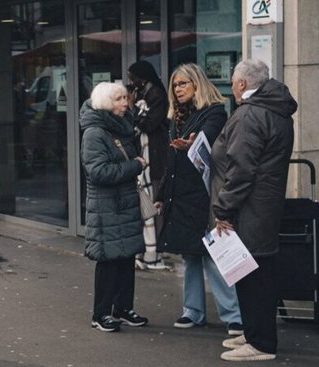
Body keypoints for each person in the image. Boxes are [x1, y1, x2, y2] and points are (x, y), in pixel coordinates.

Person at [210, 58, 297, 362]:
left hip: (249, 207)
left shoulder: (250, 115)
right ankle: (253, 333)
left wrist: (222, 208)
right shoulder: (275, 109)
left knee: (253, 276)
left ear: (243, 84)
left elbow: (241, 169)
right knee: (255, 272)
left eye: (233, 82)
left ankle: (260, 343)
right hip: (263, 205)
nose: (231, 87)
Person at [156, 63, 243, 338]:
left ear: (197, 84)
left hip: (205, 193)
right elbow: (171, 162)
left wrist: (192, 143)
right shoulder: (176, 117)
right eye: (175, 85)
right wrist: (161, 196)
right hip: (180, 194)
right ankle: (192, 311)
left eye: (183, 83)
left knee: (213, 255)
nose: (177, 89)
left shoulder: (215, 111)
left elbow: (207, 144)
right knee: (189, 255)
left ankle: (233, 315)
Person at [80, 81, 150, 333]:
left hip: (124, 202)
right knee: (109, 259)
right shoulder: (95, 133)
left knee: (126, 256)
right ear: (106, 104)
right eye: (119, 99)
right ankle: (100, 313)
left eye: (124, 98)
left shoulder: (121, 127)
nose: (125, 103)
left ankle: (122, 308)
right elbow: (98, 172)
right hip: (106, 206)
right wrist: (135, 165)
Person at [126, 60, 170, 271]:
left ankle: (154, 250)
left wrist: (134, 109)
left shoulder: (156, 96)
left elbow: (148, 123)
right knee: (146, 203)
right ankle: (146, 249)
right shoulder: (145, 95)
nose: (130, 82)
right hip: (145, 156)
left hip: (154, 157)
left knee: (152, 203)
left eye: (132, 77)